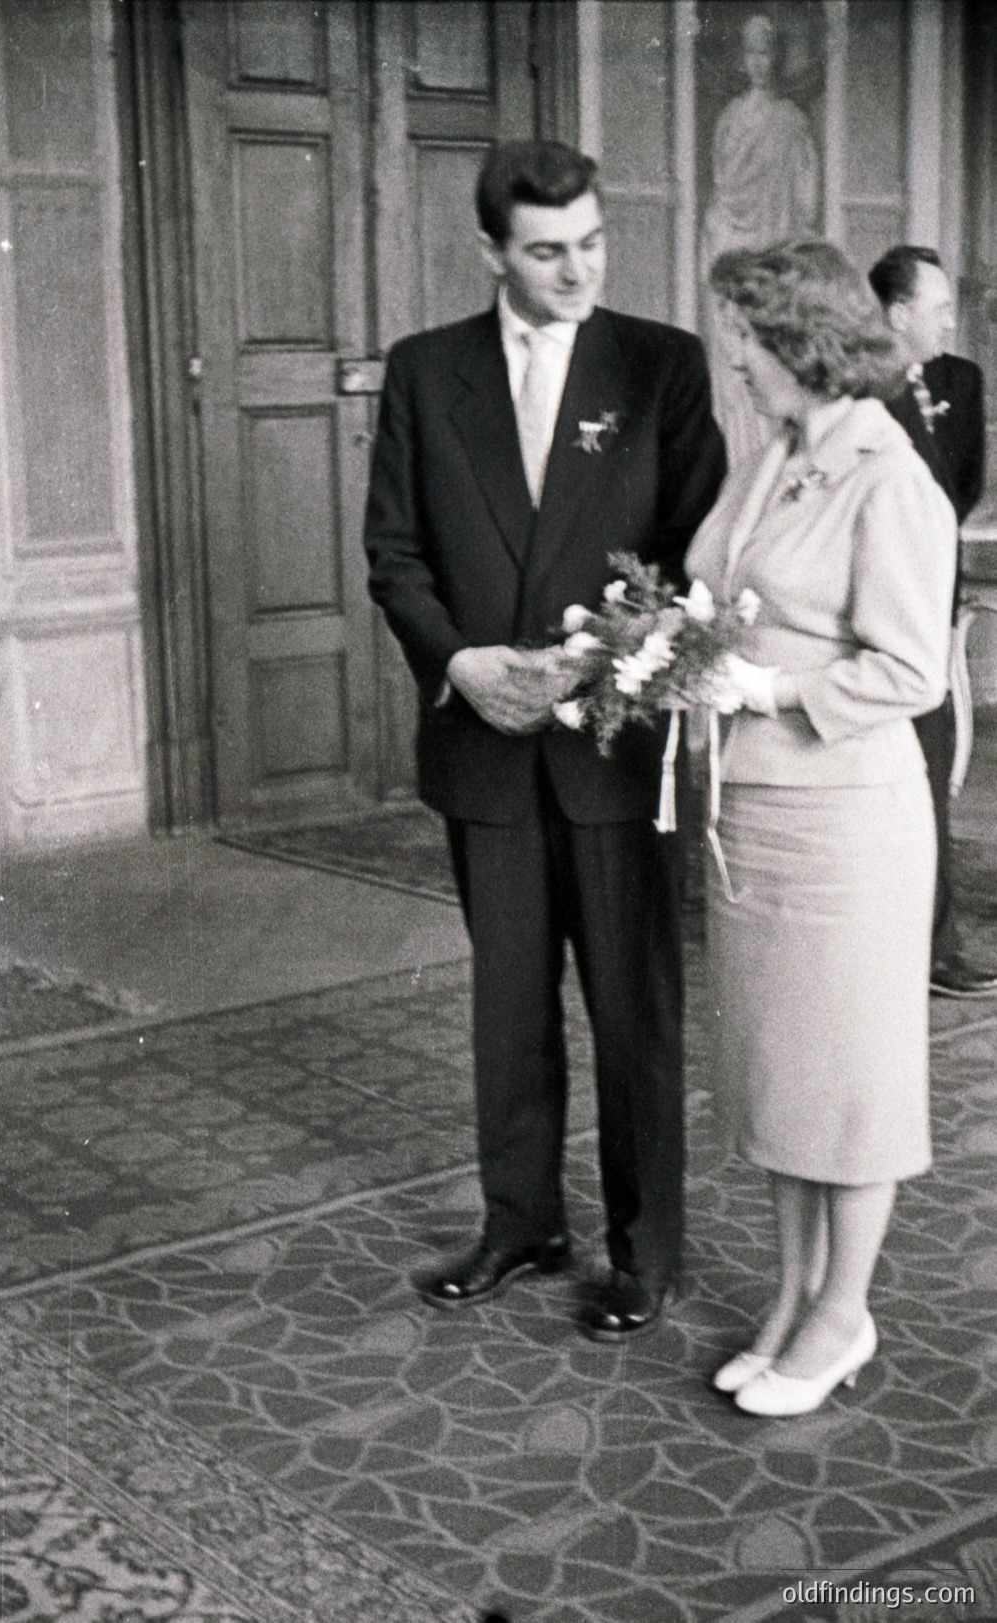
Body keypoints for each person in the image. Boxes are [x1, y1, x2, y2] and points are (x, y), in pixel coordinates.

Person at [364, 140, 725, 1341]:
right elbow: (395, 554)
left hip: (611, 744)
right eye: (546, 251)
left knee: (634, 1011)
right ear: (491, 253)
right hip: (483, 743)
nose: (576, 271)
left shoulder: (661, 366)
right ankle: (521, 1221)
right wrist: (463, 664)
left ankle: (646, 1251)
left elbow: (695, 555)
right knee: (507, 1006)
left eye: (592, 245)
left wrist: (595, 661)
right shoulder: (425, 373)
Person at [686, 240, 956, 1415]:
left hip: (848, 826)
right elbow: (724, 586)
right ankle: (792, 1301)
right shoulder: (772, 455)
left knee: (850, 1088)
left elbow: (911, 672)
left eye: (745, 333)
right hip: (753, 811)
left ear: (800, 339)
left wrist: (769, 691)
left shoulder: (890, 477)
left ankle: (845, 1316)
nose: (731, 356)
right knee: (782, 1080)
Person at [868, 245, 996, 999]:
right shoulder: (857, 389)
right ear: (896, 314)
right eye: (938, 306)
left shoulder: (960, 380)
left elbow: (961, 485)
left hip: (929, 603)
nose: (951, 318)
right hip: (874, 615)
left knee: (929, 778)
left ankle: (934, 944)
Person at [699, 12, 818, 468]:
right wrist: (719, 228)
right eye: (751, 51)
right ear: (741, 58)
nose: (758, 61)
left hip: (774, 248)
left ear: (777, 57)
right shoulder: (729, 119)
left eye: (766, 51)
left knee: (773, 350)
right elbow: (721, 183)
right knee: (732, 356)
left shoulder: (791, 120)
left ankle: (772, 459)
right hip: (729, 242)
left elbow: (804, 201)